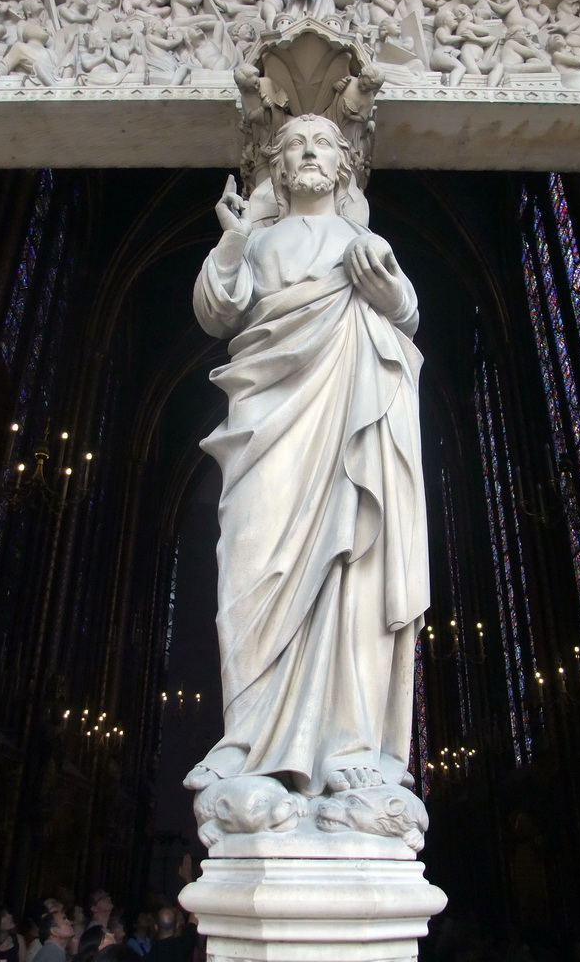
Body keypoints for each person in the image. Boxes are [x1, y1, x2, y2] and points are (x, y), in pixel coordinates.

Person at [188, 114, 428, 799]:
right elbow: (217, 309)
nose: (311, 153)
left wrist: (386, 294)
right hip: (266, 421)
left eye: (324, 143)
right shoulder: (258, 241)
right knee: (249, 557)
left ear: (344, 164)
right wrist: (233, 240)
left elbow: (406, 312)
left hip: (348, 417)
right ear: (279, 166)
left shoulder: (365, 239)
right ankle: (246, 740)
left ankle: (347, 741)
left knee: (350, 566)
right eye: (295, 145)